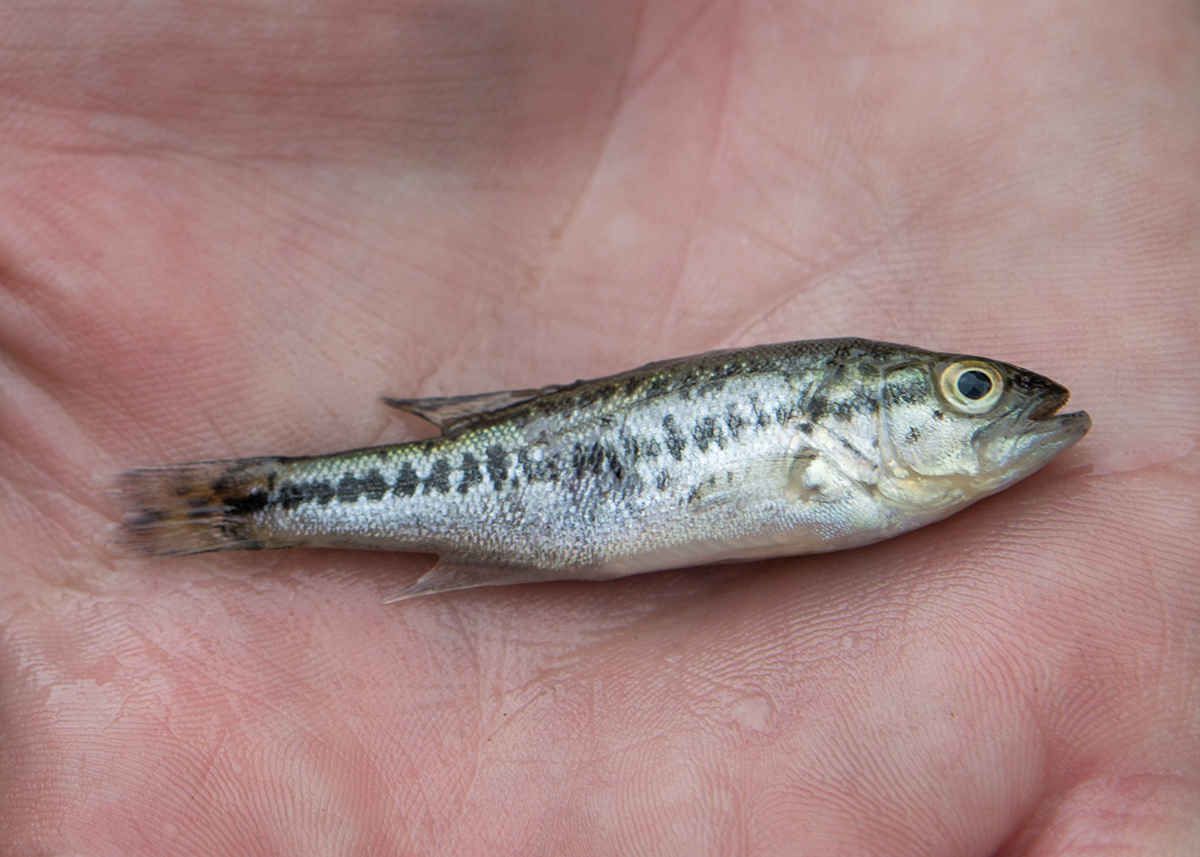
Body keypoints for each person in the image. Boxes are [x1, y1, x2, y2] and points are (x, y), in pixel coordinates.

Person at [0, 0, 1196, 853]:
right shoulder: (836, 468)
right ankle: (252, 504)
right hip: (536, 498)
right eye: (968, 391)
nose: (1000, 405)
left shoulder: (863, 479)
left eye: (972, 390)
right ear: (861, 411)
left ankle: (242, 504)